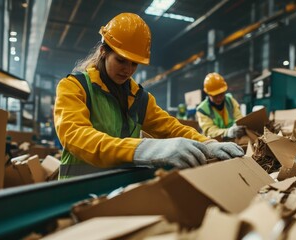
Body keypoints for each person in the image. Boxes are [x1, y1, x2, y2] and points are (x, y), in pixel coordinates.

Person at [54, 13, 244, 179]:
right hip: (75, 193)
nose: (128, 70)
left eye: (134, 64)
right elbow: (75, 137)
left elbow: (171, 128)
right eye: (121, 61)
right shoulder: (74, 87)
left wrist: (208, 144)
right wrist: (145, 149)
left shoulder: (139, 98)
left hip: (120, 189)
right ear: (103, 52)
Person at [196, 72, 245, 139]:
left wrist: (237, 127)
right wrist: (228, 132)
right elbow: (210, 130)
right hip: (215, 142)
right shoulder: (202, 110)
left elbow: (239, 119)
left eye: (221, 94)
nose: (219, 98)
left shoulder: (230, 101)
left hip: (233, 139)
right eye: (215, 96)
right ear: (208, 94)